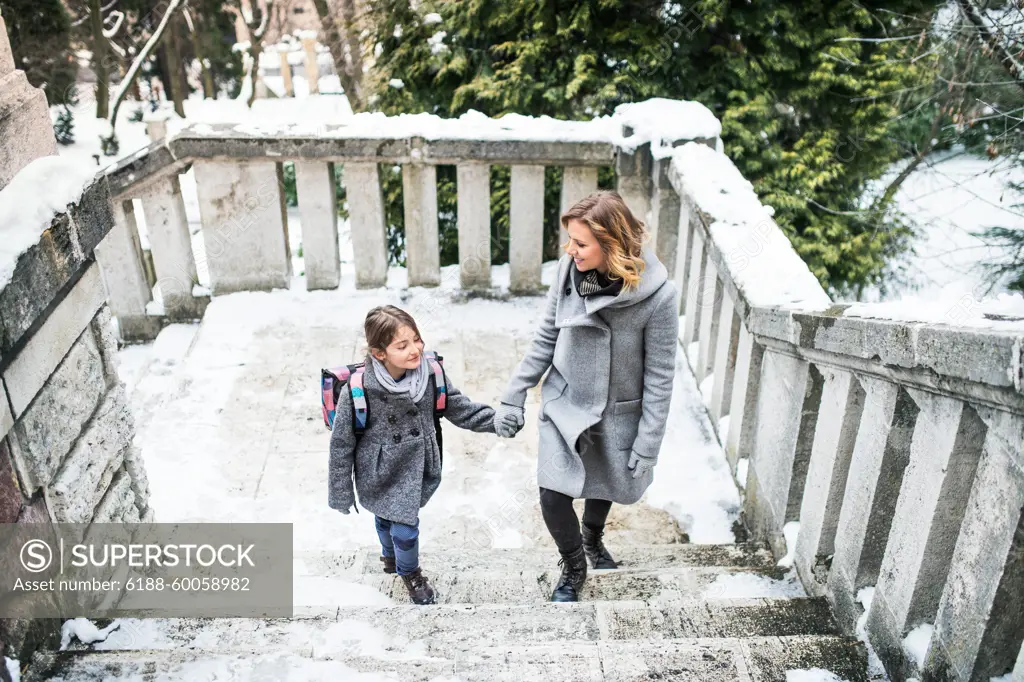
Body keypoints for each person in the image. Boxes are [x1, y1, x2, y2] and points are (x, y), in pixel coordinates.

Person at [494, 190, 679, 602]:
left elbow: (661, 376)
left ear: (611, 244)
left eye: (580, 243)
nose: (569, 250)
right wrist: (514, 394)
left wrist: (648, 444)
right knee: (552, 493)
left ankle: (593, 538)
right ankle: (575, 564)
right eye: (570, 241)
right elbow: (547, 335)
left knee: (601, 486)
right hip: (566, 403)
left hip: (616, 413)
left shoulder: (660, 298)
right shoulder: (568, 272)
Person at [328, 305, 523, 604]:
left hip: (417, 463)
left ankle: (399, 562)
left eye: (416, 339)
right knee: (389, 521)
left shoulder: (431, 374)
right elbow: (341, 443)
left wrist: (495, 420)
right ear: (380, 353)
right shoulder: (359, 389)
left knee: (401, 524)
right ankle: (407, 569)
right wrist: (340, 492)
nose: (414, 349)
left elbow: (458, 407)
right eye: (401, 345)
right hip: (378, 467)